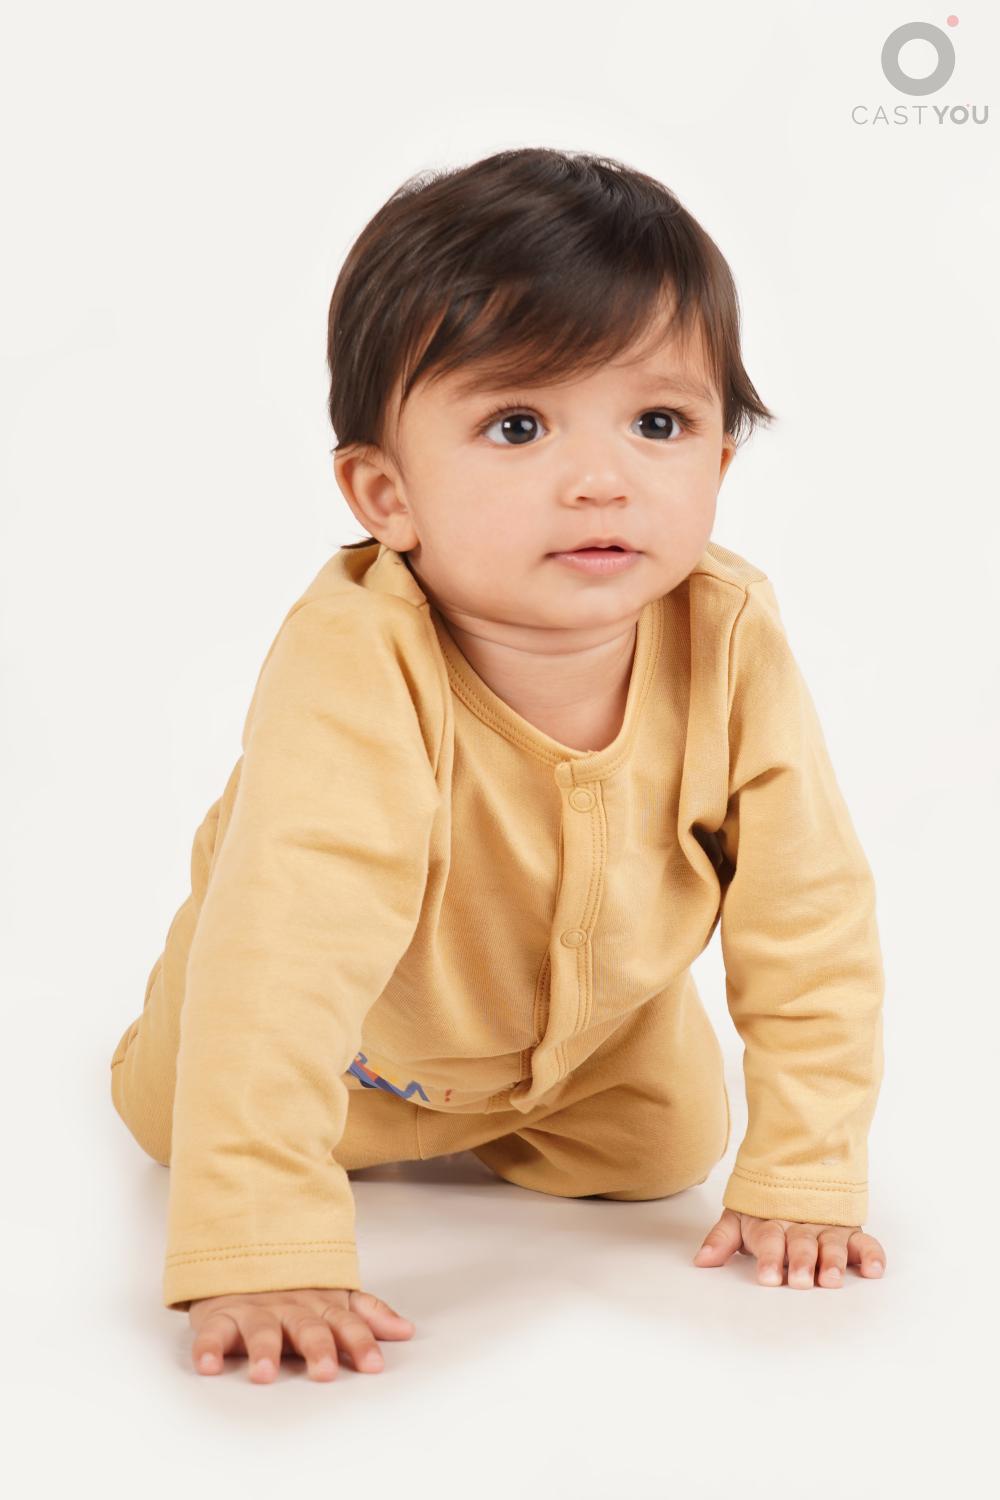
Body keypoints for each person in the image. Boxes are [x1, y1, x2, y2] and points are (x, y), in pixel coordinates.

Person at [109, 146, 888, 1385]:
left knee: (670, 1152)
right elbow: (289, 942)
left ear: (718, 465)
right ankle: (229, 1099)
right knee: (174, 1112)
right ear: (386, 495)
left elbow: (809, 915)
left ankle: (535, 1094)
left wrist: (805, 1165)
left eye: (659, 423)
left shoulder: (729, 637)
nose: (602, 480)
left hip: (581, 1060)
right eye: (517, 426)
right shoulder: (358, 660)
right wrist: (261, 1241)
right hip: (343, 1047)